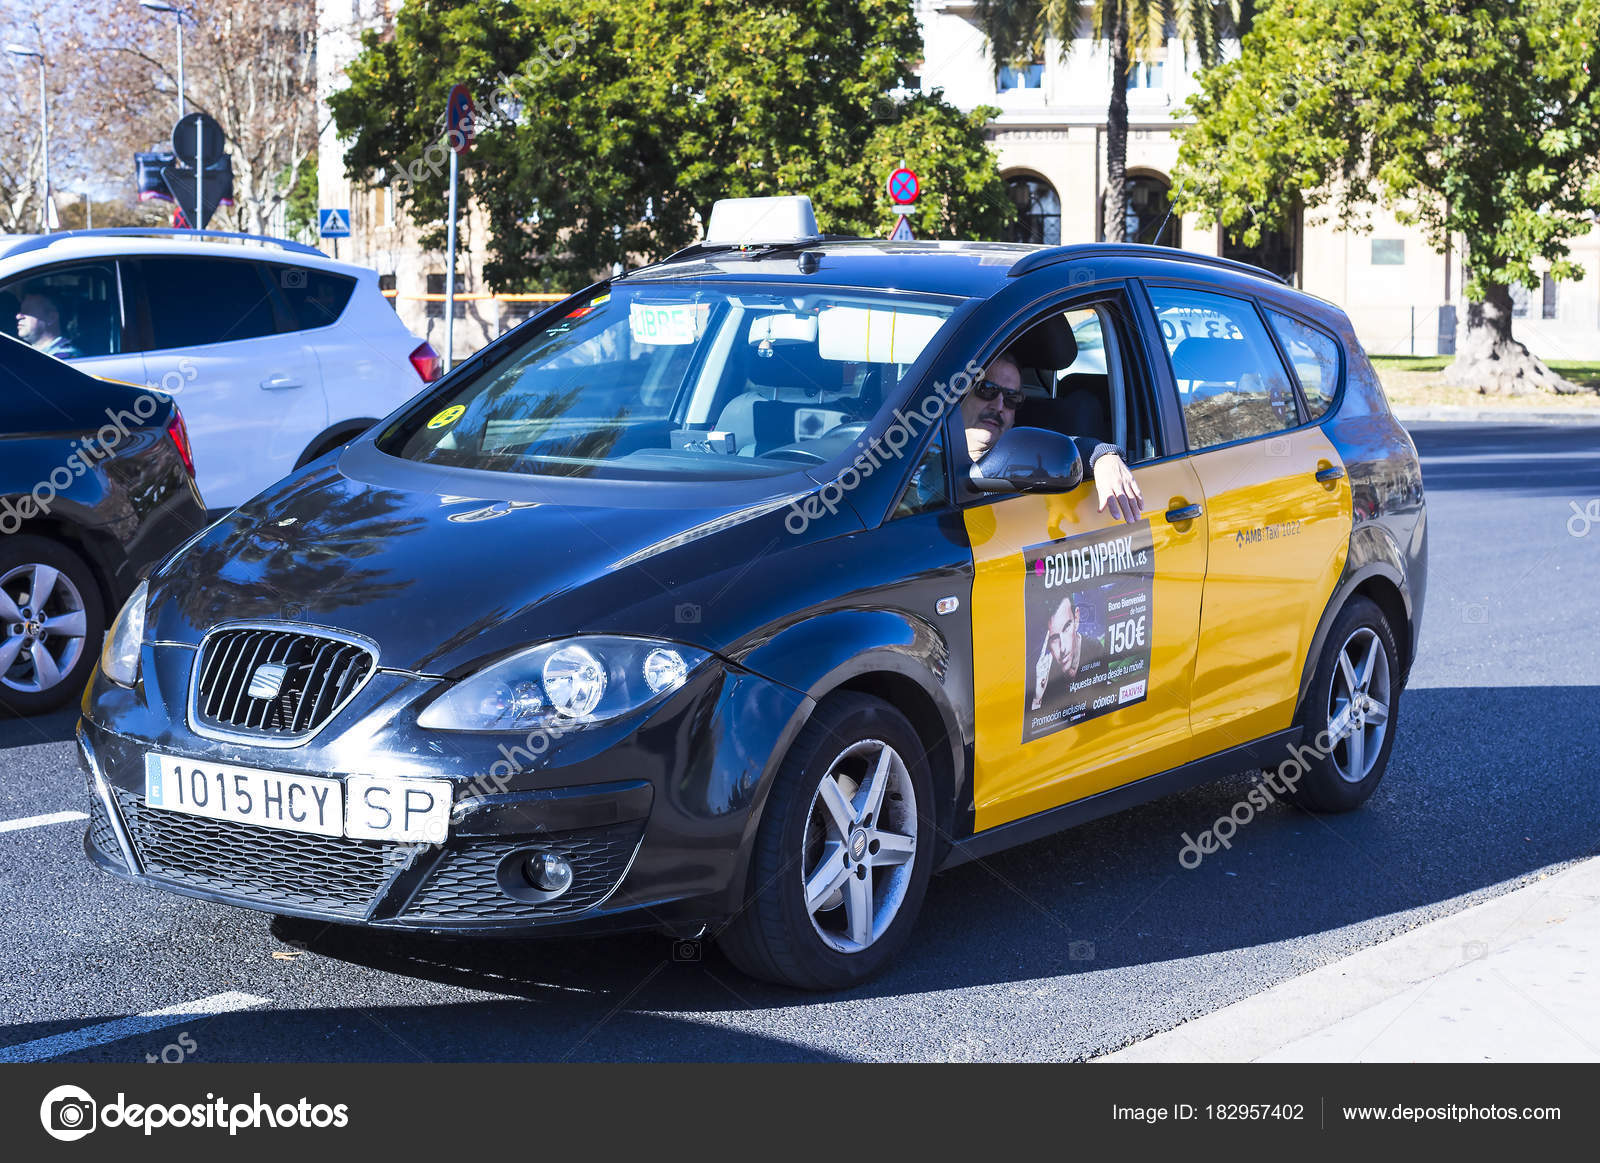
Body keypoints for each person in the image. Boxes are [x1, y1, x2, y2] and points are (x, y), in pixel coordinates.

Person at [958, 352, 1144, 523]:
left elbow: (1062, 450)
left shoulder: (1017, 456)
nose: (998, 405)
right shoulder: (930, 444)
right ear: (961, 394)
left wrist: (1104, 457)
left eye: (1011, 398)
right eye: (988, 389)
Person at [1031, 593, 1107, 711]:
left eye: (1066, 627)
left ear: (1076, 618)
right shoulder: (1044, 677)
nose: (1062, 649)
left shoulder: (1097, 651)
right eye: (1054, 638)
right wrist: (1037, 698)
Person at [16, 291, 81, 359]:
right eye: (21, 310)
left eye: (27, 311)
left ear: (51, 318)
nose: (18, 316)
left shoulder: (65, 356)